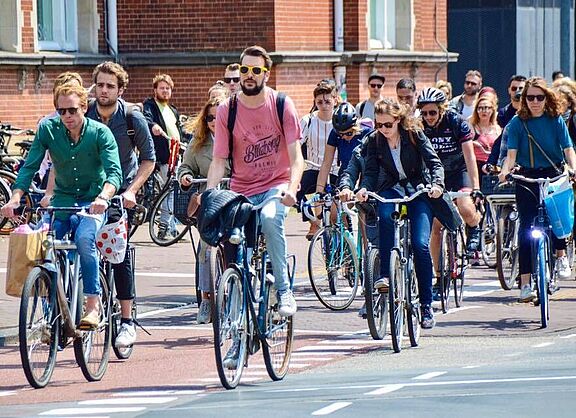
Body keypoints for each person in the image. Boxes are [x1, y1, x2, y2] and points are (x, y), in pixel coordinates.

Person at [1, 83, 122, 328]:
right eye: (61, 111)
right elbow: (29, 166)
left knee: (85, 239)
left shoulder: (100, 133)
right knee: (43, 244)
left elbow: (114, 174)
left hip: (92, 201)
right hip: (62, 200)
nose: (67, 116)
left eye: (72, 110)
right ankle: (51, 315)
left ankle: (92, 304)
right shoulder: (48, 129)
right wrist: (15, 197)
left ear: (84, 108)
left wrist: (103, 197)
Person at [206, 45, 304, 332]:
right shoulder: (228, 109)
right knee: (234, 240)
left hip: (276, 185)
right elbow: (219, 160)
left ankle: (284, 289)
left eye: (255, 70)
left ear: (266, 73)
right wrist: (210, 194)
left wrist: (293, 189)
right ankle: (236, 297)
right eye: (244, 70)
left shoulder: (282, 104)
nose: (248, 76)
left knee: (271, 218)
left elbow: (297, 158)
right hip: (241, 189)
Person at [354, 98, 457, 329]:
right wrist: (364, 189)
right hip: (391, 187)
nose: (383, 129)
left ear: (398, 120)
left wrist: (437, 185)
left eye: (387, 125)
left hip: (419, 189)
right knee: (384, 211)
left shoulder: (414, 135)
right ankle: (384, 277)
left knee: (420, 245)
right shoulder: (375, 140)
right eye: (379, 125)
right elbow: (370, 171)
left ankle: (426, 306)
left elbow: (434, 163)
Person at [86, 61, 156, 348]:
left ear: (121, 89)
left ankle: (126, 321)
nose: (103, 91)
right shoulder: (83, 113)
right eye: (99, 85)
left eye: (110, 86)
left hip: (121, 191)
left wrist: (133, 190)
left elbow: (149, 159)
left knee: (118, 253)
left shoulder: (131, 118)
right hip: (89, 191)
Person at [499, 77, 576, 300]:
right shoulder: (517, 123)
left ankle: (560, 255)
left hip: (553, 173)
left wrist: (572, 168)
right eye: (530, 97)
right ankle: (525, 283)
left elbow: (568, 148)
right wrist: (506, 171)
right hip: (527, 176)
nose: (534, 102)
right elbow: (510, 156)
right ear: (524, 99)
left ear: (546, 99)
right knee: (526, 229)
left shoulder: (555, 120)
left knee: (557, 217)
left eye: (539, 97)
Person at [416, 87, 482, 279]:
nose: (428, 116)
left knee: (466, 207)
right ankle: (439, 276)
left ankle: (474, 227)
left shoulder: (456, 122)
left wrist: (476, 187)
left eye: (433, 112)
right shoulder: (419, 125)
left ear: (442, 110)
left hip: (458, 171)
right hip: (436, 176)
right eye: (425, 112)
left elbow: (470, 157)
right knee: (436, 226)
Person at [178, 97, 230, 324]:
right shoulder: (197, 142)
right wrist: (186, 177)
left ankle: (235, 288)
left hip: (232, 198)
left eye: (219, 117)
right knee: (205, 248)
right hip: (207, 200)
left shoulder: (238, 138)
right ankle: (207, 299)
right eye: (209, 118)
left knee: (235, 245)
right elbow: (185, 166)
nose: (213, 122)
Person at [143, 73, 184, 239]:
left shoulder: (172, 109)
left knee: (172, 191)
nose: (165, 91)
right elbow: (146, 119)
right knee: (169, 191)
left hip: (176, 154)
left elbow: (179, 129)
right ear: (155, 90)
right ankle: (164, 226)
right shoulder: (150, 105)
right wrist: (153, 126)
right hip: (163, 155)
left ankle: (169, 225)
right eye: (162, 88)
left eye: (168, 88)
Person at [298, 81, 339, 239]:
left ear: (335, 100)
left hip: (335, 168)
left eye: (328, 101)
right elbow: (296, 144)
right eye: (319, 102)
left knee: (337, 212)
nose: (324, 105)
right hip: (314, 168)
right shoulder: (308, 121)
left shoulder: (340, 120)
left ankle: (342, 235)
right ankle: (314, 222)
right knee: (296, 193)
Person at [315, 102, 373, 196]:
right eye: (341, 134)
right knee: (336, 208)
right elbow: (326, 164)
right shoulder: (334, 134)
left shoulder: (367, 132)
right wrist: (319, 191)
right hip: (346, 174)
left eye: (349, 133)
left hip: (365, 174)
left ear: (355, 127)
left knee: (363, 207)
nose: (344, 137)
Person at [469, 92, 501, 178]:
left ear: (492, 110)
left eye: (487, 108)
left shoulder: (497, 128)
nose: (484, 111)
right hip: (476, 166)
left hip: (493, 167)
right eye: (480, 108)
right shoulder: (471, 127)